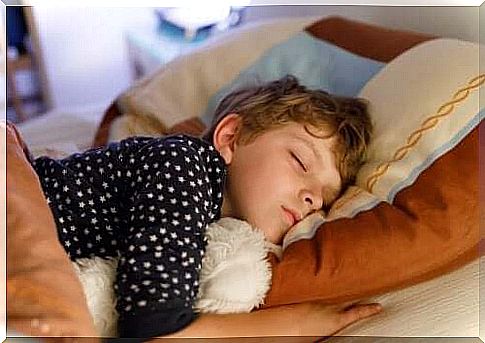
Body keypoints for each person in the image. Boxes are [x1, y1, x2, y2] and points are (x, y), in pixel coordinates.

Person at [30, 75, 380, 339]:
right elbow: (153, 325)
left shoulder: (217, 219)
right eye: (301, 161)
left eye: (325, 199)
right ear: (230, 138)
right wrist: (296, 323)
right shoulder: (182, 164)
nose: (313, 199)